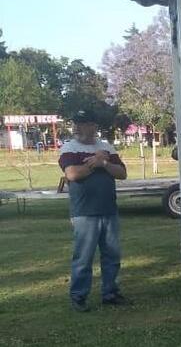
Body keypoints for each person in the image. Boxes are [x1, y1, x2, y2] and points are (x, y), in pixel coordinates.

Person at [58, 109, 128, 312]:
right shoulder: (69, 148)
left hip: (109, 209)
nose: (77, 127)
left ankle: (111, 293)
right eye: (75, 123)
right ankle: (79, 296)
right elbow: (72, 174)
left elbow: (122, 173)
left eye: (83, 123)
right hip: (84, 212)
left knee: (112, 255)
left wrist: (104, 162)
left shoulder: (106, 148)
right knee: (83, 257)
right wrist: (94, 164)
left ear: (94, 126)